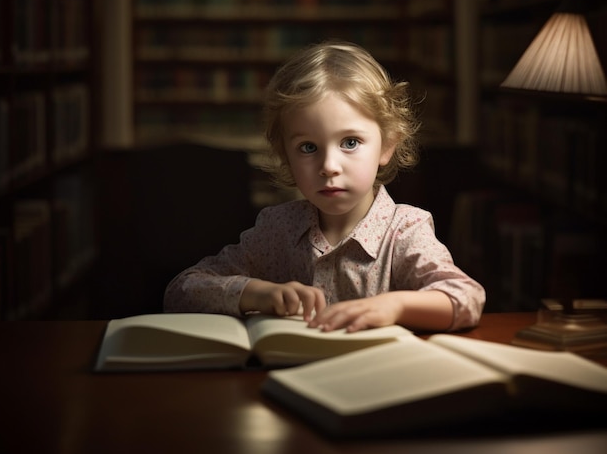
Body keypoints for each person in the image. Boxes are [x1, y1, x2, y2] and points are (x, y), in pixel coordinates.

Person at [164, 41, 485, 332]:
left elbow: (466, 297)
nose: (329, 166)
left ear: (386, 146)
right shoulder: (277, 229)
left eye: (350, 142)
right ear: (285, 155)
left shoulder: (404, 230)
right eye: (308, 147)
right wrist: (254, 292)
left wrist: (395, 304)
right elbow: (181, 291)